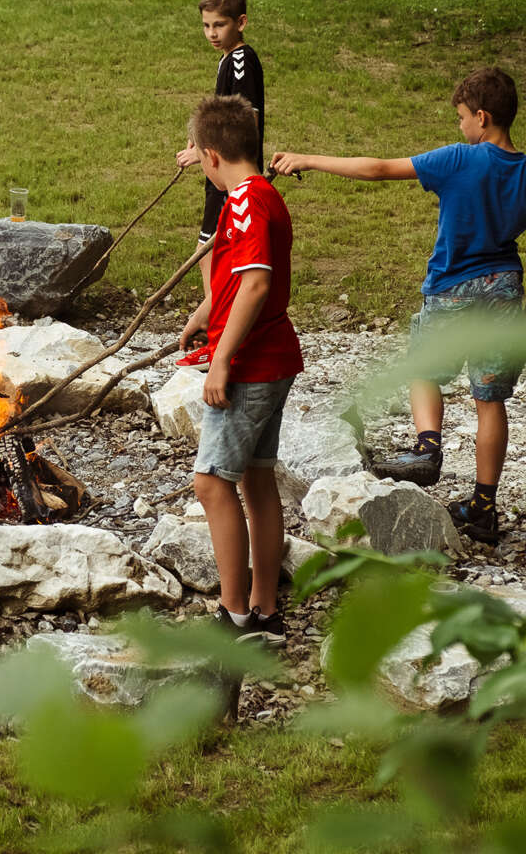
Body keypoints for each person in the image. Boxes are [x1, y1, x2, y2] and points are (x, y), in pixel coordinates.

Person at [271, 67, 526, 545]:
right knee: (490, 400)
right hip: (505, 289)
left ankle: (427, 448)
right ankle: (483, 508)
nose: (460, 126)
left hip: (452, 287)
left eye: (462, 117)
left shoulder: (459, 159)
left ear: (481, 118)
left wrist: (309, 159)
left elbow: (379, 169)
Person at [180, 95, 302, 641]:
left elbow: (255, 283)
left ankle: (232, 617)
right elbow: (239, 280)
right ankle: (266, 611)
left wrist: (221, 362)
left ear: (211, 156)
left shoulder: (248, 200)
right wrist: (202, 314)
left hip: (252, 363)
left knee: (210, 483)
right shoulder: (256, 197)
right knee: (256, 480)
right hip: (275, 355)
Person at [176, 0, 265, 311]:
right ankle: (217, 329)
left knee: (212, 255)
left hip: (232, 177)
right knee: (210, 254)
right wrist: (201, 138)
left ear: (240, 22)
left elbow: (244, 122)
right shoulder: (229, 59)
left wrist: (200, 154)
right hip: (221, 174)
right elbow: (222, 116)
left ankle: (218, 329)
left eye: (219, 25)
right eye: (206, 25)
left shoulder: (241, 59)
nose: (211, 33)